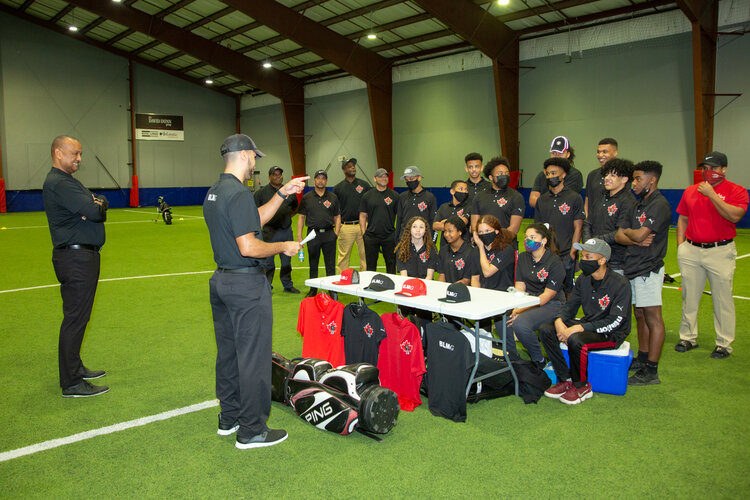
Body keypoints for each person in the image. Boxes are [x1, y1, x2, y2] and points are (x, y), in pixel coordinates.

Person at [203, 133, 306, 449]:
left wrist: (282, 194)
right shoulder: (239, 194)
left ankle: (229, 417)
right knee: (253, 358)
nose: (255, 163)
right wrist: (283, 246)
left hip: (222, 282)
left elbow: (251, 220)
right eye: (254, 158)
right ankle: (252, 430)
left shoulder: (217, 192)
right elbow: (248, 245)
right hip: (245, 285)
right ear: (245, 155)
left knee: (230, 354)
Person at [43, 135, 109, 398]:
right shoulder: (59, 183)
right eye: (75, 154)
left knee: (79, 318)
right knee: (75, 319)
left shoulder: (67, 182)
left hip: (81, 257)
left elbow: (100, 202)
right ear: (59, 153)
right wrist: (93, 206)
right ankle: (71, 382)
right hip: (76, 259)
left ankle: (75, 367)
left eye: (80, 154)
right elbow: (95, 212)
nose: (79, 159)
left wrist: (96, 203)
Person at [541, 238, 631, 405]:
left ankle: (581, 386)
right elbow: (571, 306)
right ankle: (565, 379)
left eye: (589, 257)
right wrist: (559, 321)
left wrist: (579, 328)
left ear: (603, 260)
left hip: (611, 333)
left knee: (576, 340)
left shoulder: (620, 284)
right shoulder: (584, 279)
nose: (583, 260)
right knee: (547, 329)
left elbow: (616, 321)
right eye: (583, 256)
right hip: (589, 325)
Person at [675, 151, 748, 359]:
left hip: (720, 251)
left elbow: (734, 215)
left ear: (723, 169)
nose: (708, 172)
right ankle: (688, 337)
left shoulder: (737, 191)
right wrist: (681, 246)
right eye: (705, 168)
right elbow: (682, 219)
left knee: (722, 298)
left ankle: (724, 343)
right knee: (689, 296)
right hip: (691, 250)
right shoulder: (690, 190)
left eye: (713, 168)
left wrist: (712, 195)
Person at [616, 161, 670, 386]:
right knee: (639, 314)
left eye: (638, 179)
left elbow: (640, 237)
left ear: (652, 180)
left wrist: (633, 235)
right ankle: (643, 357)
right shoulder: (636, 205)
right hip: (633, 266)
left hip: (649, 268)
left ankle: (652, 370)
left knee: (652, 316)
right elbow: (620, 235)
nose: (634, 183)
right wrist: (632, 233)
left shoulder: (659, 204)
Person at [505, 223, 565, 369]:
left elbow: (547, 296)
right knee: (504, 319)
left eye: (533, 237)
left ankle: (539, 361)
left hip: (552, 304)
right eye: (526, 237)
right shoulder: (523, 258)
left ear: (544, 241)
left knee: (520, 323)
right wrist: (516, 307)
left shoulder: (554, 262)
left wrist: (521, 310)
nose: (527, 241)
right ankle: (513, 359)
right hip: (529, 302)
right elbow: (520, 287)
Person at [534, 157, 585, 297]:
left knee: (568, 290)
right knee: (546, 290)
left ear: (564, 175)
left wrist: (573, 253)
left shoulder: (574, 198)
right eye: (548, 174)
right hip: (547, 254)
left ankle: (566, 318)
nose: (551, 176)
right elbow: (538, 229)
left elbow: (578, 228)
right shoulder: (542, 200)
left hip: (566, 253)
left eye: (554, 173)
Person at [582, 158, 637, 274]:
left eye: (612, 175)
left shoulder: (628, 202)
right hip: (594, 257)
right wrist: (589, 243)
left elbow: (620, 233)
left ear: (624, 179)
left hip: (615, 261)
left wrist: (595, 241)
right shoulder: (601, 197)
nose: (607, 178)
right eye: (606, 174)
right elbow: (588, 223)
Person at [254, 166, 300, 293]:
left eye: (279, 175)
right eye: (274, 175)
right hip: (270, 232)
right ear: (269, 177)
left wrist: (285, 216)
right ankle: (267, 285)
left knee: (286, 261)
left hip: (286, 231)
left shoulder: (289, 191)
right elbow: (255, 212)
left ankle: (288, 285)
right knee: (268, 262)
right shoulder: (261, 193)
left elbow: (295, 207)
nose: (277, 177)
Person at [298, 169, 342, 297]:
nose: (321, 180)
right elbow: (301, 217)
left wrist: (336, 233)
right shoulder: (307, 198)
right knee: (313, 264)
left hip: (329, 234)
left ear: (326, 181)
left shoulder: (333, 197)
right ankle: (313, 289)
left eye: (323, 178)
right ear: (314, 180)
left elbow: (337, 216)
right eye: (318, 178)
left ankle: (331, 289)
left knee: (330, 265)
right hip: (312, 235)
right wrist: (299, 236)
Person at [470, 156, 524, 237]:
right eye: (500, 173)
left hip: (506, 245)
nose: (504, 176)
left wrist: (497, 242)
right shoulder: (479, 197)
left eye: (507, 173)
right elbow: (474, 226)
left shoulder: (516, 197)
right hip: (483, 244)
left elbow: (514, 228)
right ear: (491, 177)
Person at [334, 158, 370, 273]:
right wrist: (337, 226)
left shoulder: (364, 185)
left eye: (353, 166)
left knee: (365, 255)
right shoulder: (338, 188)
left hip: (363, 226)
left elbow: (371, 205)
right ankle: (342, 280)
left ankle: (365, 279)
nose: (352, 168)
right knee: (343, 257)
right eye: (349, 166)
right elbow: (334, 210)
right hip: (346, 227)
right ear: (343, 170)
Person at [359, 168, 398, 274]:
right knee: (370, 266)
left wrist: (397, 233)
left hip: (389, 236)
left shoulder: (394, 196)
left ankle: (391, 288)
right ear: (375, 179)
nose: (383, 178)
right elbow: (362, 215)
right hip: (371, 236)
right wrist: (364, 233)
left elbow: (400, 216)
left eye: (385, 176)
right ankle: (370, 287)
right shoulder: (367, 196)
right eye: (380, 176)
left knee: (391, 264)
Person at [529, 136, 583, 208]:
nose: (557, 156)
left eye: (561, 153)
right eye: (554, 153)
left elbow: (566, 200)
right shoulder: (542, 174)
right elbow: (532, 201)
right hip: (544, 217)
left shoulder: (575, 175)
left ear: (568, 154)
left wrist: (543, 202)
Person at [472, 215, 516, 292]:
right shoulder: (476, 251)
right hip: (484, 292)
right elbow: (475, 278)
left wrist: (481, 247)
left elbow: (487, 272)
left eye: (487, 231)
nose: (484, 234)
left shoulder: (506, 249)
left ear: (496, 231)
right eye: (480, 232)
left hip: (503, 293)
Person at [435, 216, 479, 286]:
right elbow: (442, 275)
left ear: (460, 232)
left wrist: (451, 289)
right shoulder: (443, 250)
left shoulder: (471, 252)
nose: (446, 234)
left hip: (464, 292)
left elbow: (467, 280)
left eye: (450, 231)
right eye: (445, 231)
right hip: (447, 290)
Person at [396, 166, 437, 237]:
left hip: (422, 237)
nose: (409, 181)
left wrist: (432, 240)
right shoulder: (402, 196)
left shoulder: (430, 197)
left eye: (411, 178)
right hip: (405, 237)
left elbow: (432, 220)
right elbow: (399, 219)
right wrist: (397, 239)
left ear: (419, 178)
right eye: (406, 179)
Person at [396, 216, 439, 280]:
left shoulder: (431, 249)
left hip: (426, 285)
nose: (418, 230)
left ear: (425, 231)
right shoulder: (402, 249)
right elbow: (404, 276)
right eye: (414, 227)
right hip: (409, 284)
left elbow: (429, 276)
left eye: (421, 227)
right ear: (409, 229)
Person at [585, 138, 619, 216]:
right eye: (598, 152)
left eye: (605, 152)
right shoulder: (592, 175)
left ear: (615, 153)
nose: (600, 155)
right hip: (593, 223)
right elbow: (587, 200)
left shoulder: (622, 175)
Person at [433, 180, 471, 248]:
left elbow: (462, 222)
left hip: (463, 248)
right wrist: (456, 221)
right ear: (452, 191)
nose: (464, 192)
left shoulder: (469, 207)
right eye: (461, 189)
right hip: (445, 247)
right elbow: (435, 225)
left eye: (466, 190)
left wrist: (444, 222)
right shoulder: (443, 207)